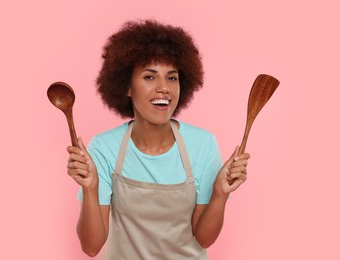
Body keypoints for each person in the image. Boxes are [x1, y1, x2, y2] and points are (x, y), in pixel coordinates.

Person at [66, 20, 250, 259]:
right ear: (127, 87)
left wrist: (219, 193)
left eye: (172, 78)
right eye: (150, 77)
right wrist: (90, 189)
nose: (164, 88)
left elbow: (204, 238)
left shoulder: (202, 144)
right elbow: (91, 247)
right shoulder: (104, 148)